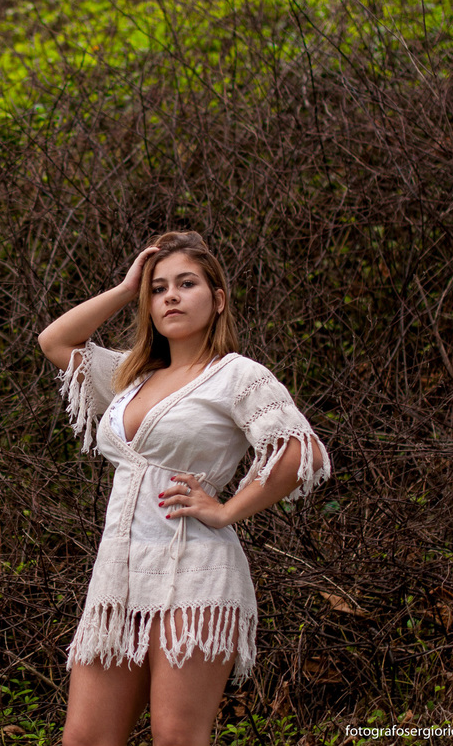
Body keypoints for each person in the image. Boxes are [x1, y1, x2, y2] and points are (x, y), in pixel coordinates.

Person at [37, 231, 331, 746]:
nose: (170, 296)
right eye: (159, 288)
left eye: (186, 284)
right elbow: (55, 342)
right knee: (84, 738)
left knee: (176, 738)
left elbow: (298, 453)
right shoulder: (132, 376)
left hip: (193, 574)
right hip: (117, 580)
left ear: (217, 300)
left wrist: (226, 510)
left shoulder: (237, 375)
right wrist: (129, 286)